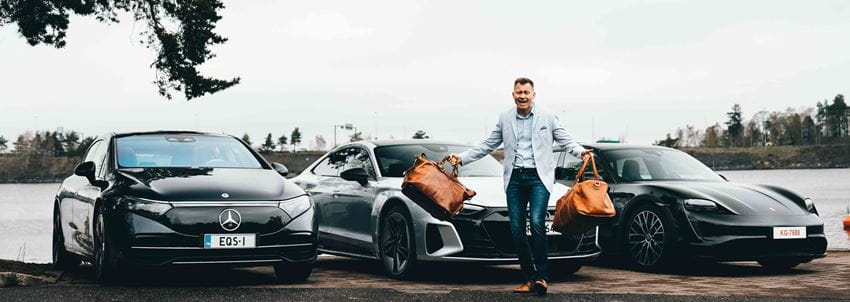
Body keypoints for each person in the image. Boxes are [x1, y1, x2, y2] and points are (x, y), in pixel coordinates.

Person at [448, 77, 590, 296]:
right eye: (518, 92)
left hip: (538, 178)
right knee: (516, 229)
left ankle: (542, 276)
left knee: (536, 222)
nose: (522, 96)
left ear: (534, 94)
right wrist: (463, 158)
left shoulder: (548, 117)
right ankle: (528, 278)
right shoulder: (505, 118)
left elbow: (565, 140)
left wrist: (581, 152)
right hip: (514, 178)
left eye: (526, 92)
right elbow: (488, 144)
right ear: (513, 94)